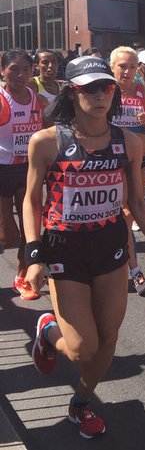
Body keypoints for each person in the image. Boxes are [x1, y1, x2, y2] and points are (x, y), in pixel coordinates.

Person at [25, 56, 145, 439]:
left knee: (108, 337)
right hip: (64, 248)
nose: (101, 95)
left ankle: (82, 402)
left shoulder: (131, 142)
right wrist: (33, 254)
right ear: (73, 93)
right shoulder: (48, 141)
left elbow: (138, 201)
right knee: (80, 348)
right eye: (90, 88)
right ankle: (48, 330)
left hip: (110, 244)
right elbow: (31, 201)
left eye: (106, 87)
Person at [109, 46, 145, 294]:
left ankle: (130, 267)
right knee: (123, 212)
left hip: (141, 158)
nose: (128, 71)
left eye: (132, 66)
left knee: (132, 209)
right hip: (114, 160)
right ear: (112, 67)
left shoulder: (143, 91)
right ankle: (133, 269)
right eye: (122, 66)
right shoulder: (105, 91)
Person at [1, 50, 45, 300]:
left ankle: (23, 274)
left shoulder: (37, 100)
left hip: (28, 169)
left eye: (26, 70)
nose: (19, 75)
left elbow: (48, 127)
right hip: (1, 170)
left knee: (32, 228)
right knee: (7, 235)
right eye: (13, 69)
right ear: (2, 71)